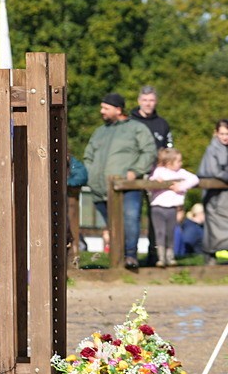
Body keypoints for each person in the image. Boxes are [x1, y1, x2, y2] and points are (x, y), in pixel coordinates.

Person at [82, 93, 156, 269]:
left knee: (130, 219)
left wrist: (135, 171)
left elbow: (149, 151)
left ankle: (130, 256)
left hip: (126, 187)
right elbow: (88, 156)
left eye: (105, 108)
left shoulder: (136, 128)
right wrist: (91, 174)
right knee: (112, 225)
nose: (102, 111)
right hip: (100, 188)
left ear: (118, 109)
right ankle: (117, 258)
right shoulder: (100, 132)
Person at [130, 86, 173, 265]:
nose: (148, 104)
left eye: (152, 100)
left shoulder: (162, 124)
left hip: (158, 177)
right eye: (145, 100)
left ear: (156, 102)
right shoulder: (130, 122)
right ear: (139, 101)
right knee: (133, 215)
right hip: (136, 176)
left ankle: (155, 255)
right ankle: (130, 254)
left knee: (158, 216)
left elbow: (170, 151)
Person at [148, 148, 199, 266]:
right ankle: (161, 257)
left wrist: (181, 186)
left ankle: (170, 256)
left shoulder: (181, 173)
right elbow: (151, 182)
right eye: (178, 161)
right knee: (160, 232)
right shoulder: (159, 171)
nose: (181, 163)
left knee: (170, 232)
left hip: (171, 207)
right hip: (158, 207)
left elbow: (194, 179)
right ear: (169, 162)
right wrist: (156, 181)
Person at [197, 119, 228, 264]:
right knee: (213, 227)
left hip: (224, 196)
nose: (225, 137)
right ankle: (210, 257)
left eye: (227, 134)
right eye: (222, 134)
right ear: (216, 133)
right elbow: (214, 171)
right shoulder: (212, 149)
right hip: (215, 196)